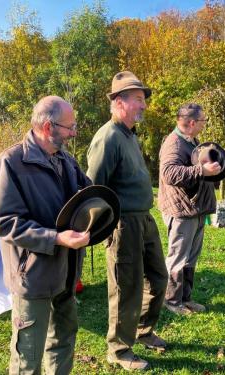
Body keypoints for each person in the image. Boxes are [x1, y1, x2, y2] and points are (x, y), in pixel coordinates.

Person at [0, 96, 91, 374]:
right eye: (70, 127)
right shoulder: (11, 162)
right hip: (33, 274)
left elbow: (87, 193)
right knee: (28, 355)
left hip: (68, 268)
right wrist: (56, 238)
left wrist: (99, 211)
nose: (73, 133)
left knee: (63, 340)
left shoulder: (66, 160)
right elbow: (5, 223)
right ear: (48, 127)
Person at [87, 71, 168, 371]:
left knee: (158, 278)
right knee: (126, 288)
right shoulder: (108, 137)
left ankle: (143, 331)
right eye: (137, 99)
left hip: (144, 220)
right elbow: (93, 187)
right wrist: (105, 228)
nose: (143, 105)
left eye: (143, 100)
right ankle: (119, 350)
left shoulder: (129, 135)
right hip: (123, 224)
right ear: (119, 102)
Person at [158, 103, 221, 315]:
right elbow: (169, 174)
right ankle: (172, 301)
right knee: (178, 258)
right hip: (181, 211)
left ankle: (185, 298)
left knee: (190, 258)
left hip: (194, 209)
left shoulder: (191, 140)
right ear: (192, 123)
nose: (204, 125)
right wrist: (201, 170)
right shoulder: (174, 144)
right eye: (203, 121)